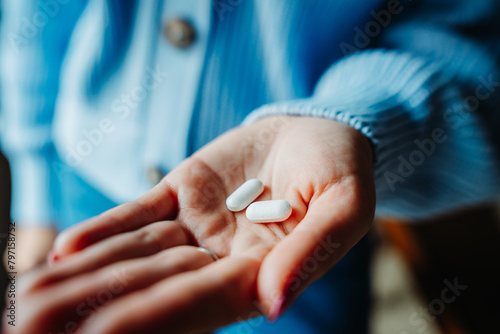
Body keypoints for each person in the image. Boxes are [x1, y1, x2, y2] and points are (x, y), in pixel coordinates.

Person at [2, 0, 500, 333]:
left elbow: (470, 30)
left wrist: (360, 117)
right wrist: (35, 188)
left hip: (303, 235)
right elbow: (38, 20)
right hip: (88, 176)